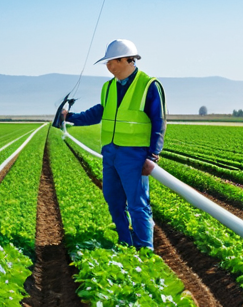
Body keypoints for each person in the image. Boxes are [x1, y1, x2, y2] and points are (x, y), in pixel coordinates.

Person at [61, 39, 166, 250]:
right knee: (113, 199)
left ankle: (145, 251)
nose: (109, 66)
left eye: (112, 61)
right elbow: (99, 113)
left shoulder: (149, 85)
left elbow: (159, 121)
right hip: (110, 153)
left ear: (129, 60)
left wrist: (152, 156)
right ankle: (125, 244)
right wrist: (69, 117)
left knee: (138, 204)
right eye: (107, 63)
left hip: (134, 155)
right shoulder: (108, 87)